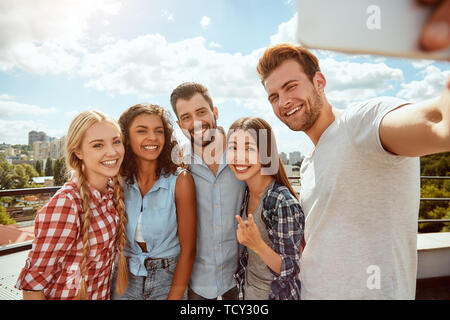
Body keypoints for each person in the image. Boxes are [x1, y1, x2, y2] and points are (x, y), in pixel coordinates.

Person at [257, 43, 450, 299]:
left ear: (319, 81)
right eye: (274, 96)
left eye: (291, 86)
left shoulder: (361, 123)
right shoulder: (308, 162)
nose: (284, 101)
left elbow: (436, 123)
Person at [15, 110, 128, 300]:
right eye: (98, 145)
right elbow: (33, 287)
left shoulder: (111, 194)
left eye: (116, 141)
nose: (112, 151)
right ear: (78, 152)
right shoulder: (66, 204)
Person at [111, 104, 196, 300]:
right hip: (124, 277)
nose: (153, 138)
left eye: (159, 131)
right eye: (142, 131)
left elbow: (189, 249)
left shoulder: (180, 180)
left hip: (167, 279)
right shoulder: (118, 180)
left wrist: (174, 297)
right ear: (126, 137)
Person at [170, 82, 246, 300]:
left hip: (240, 281)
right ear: (179, 123)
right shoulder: (176, 163)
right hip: (195, 285)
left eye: (201, 112)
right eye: (186, 117)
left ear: (215, 112)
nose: (195, 122)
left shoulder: (243, 152)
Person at [226, 117, 304, 300]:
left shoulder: (281, 201)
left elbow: (291, 268)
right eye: (233, 148)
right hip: (247, 292)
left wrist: (257, 245)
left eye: (249, 148)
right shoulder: (245, 192)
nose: (239, 157)